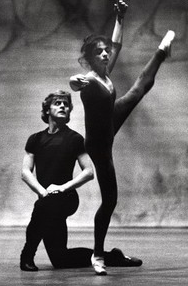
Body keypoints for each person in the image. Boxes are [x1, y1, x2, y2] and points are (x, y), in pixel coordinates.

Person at [69, 0, 175, 275]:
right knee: (110, 201)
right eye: (99, 53)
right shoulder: (91, 79)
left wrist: (120, 18)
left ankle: (162, 51)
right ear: (90, 59)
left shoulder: (105, 73)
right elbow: (75, 82)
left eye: (105, 52)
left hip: (110, 119)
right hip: (99, 144)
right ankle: (97, 255)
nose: (105, 55)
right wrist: (74, 82)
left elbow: (116, 45)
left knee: (138, 89)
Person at [20, 90, 142, 272]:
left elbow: (88, 172)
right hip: (46, 200)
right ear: (47, 110)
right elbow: (25, 172)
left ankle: (27, 255)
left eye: (66, 104)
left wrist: (61, 188)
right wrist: (41, 191)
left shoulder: (75, 139)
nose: (63, 106)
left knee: (42, 207)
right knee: (61, 259)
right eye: (58, 103)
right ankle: (113, 256)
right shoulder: (35, 139)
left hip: (67, 198)